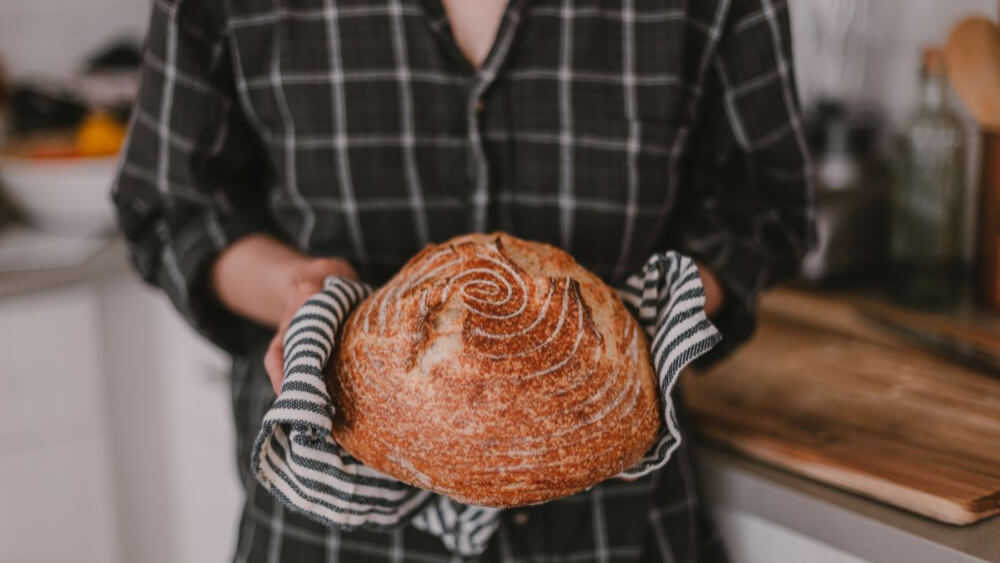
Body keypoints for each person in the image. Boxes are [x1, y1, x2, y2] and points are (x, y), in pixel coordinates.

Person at [112, 0, 812, 561]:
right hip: (327, 539)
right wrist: (297, 289)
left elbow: (762, 209)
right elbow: (175, 207)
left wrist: (640, 329)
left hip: (619, 528)